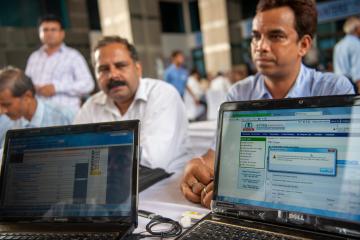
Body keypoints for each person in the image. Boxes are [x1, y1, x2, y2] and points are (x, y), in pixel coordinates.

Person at [180, 0, 355, 208]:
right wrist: (197, 166)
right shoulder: (239, 93)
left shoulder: (333, 91)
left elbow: (344, 176)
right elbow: (217, 155)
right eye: (256, 36)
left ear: (304, 45)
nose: (260, 47)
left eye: (276, 36)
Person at [74, 36, 189, 172]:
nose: (113, 75)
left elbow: (152, 160)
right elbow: (75, 155)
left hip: (163, 188)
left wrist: (94, 156)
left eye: (120, 66)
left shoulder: (162, 94)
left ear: (138, 68)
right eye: (104, 69)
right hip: (108, 188)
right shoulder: (91, 106)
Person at [25, 14, 94, 113]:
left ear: (62, 33)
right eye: (45, 30)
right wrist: (33, 88)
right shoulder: (34, 57)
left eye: (53, 30)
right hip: (38, 115)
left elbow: (88, 84)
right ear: (39, 33)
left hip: (66, 116)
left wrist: (56, 88)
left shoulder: (73, 56)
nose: (49, 33)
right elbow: (27, 84)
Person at [0, 66, 73, 130]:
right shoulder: (5, 121)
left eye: (6, 104)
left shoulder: (65, 117)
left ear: (27, 97)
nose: (2, 111)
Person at [333, 17, 360, 93]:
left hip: (339, 84)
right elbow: (357, 72)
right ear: (356, 29)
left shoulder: (338, 45)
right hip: (352, 85)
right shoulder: (356, 44)